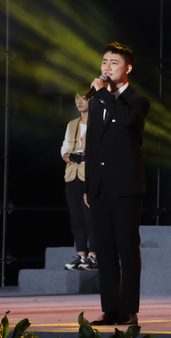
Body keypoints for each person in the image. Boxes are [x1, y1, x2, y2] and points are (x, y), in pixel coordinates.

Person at [84, 42, 150, 326]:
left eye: (114, 63)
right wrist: (88, 185)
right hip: (99, 187)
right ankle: (110, 309)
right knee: (105, 250)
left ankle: (129, 309)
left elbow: (125, 121)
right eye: (104, 62)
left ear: (128, 68)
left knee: (127, 248)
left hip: (126, 188)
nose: (107, 67)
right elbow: (92, 144)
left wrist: (102, 93)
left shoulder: (137, 100)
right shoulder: (97, 101)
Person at [61, 92, 97, 271]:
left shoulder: (98, 122)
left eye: (83, 98)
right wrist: (69, 156)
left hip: (89, 174)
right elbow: (65, 148)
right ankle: (81, 254)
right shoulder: (72, 124)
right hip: (72, 174)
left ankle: (94, 255)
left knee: (91, 216)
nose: (79, 102)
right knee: (76, 216)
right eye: (76, 98)